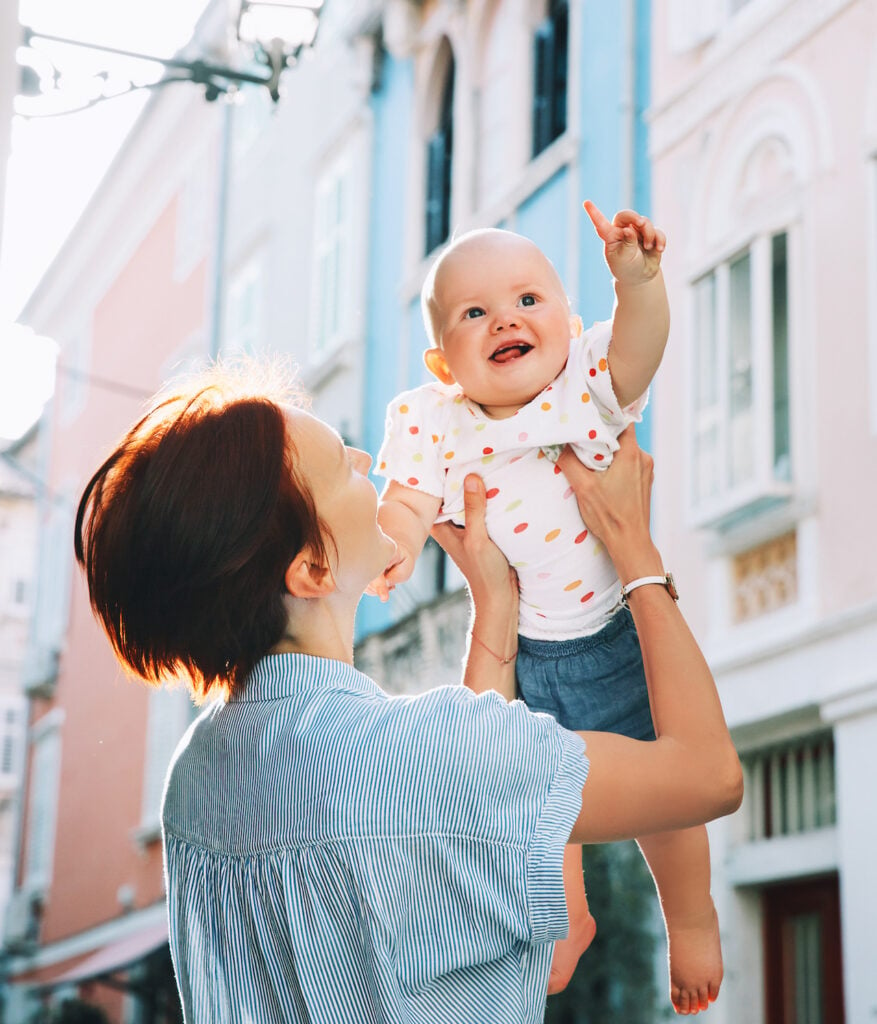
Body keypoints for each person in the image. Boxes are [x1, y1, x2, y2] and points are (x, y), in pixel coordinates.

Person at [74, 365, 742, 1023]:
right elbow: (708, 777)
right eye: (342, 467)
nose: (368, 459)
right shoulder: (420, 754)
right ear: (312, 568)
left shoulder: (195, 783)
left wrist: (495, 602)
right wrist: (632, 547)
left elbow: (488, 847)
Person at [370, 202, 721, 1009]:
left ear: (567, 319)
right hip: (526, 654)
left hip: (615, 634)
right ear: (444, 364)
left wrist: (636, 282)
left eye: (528, 301)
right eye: (474, 313)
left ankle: (693, 919)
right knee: (536, 807)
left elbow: (641, 346)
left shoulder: (585, 386)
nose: (505, 320)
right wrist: (390, 550)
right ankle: (566, 921)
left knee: (666, 805)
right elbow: (405, 503)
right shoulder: (435, 423)